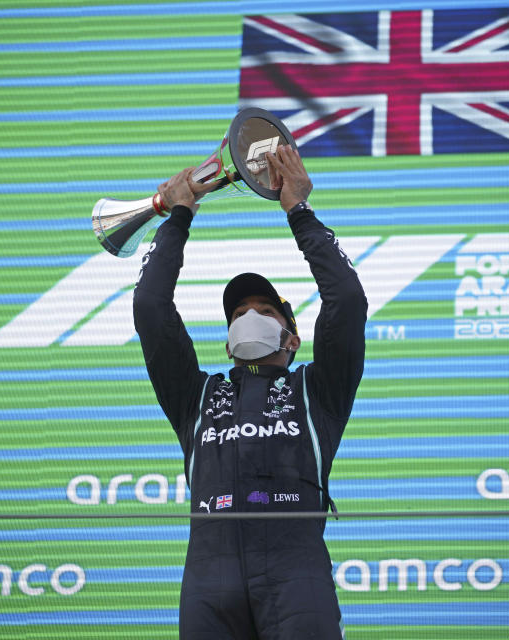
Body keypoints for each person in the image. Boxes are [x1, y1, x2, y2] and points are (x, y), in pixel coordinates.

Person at [133, 145, 367, 639]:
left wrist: (298, 212)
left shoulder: (317, 390)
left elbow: (345, 300)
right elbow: (151, 308)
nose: (249, 318)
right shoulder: (196, 397)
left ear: (291, 338)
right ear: (227, 341)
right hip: (209, 582)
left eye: (265, 310)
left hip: (295, 575)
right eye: (239, 315)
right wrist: (179, 216)